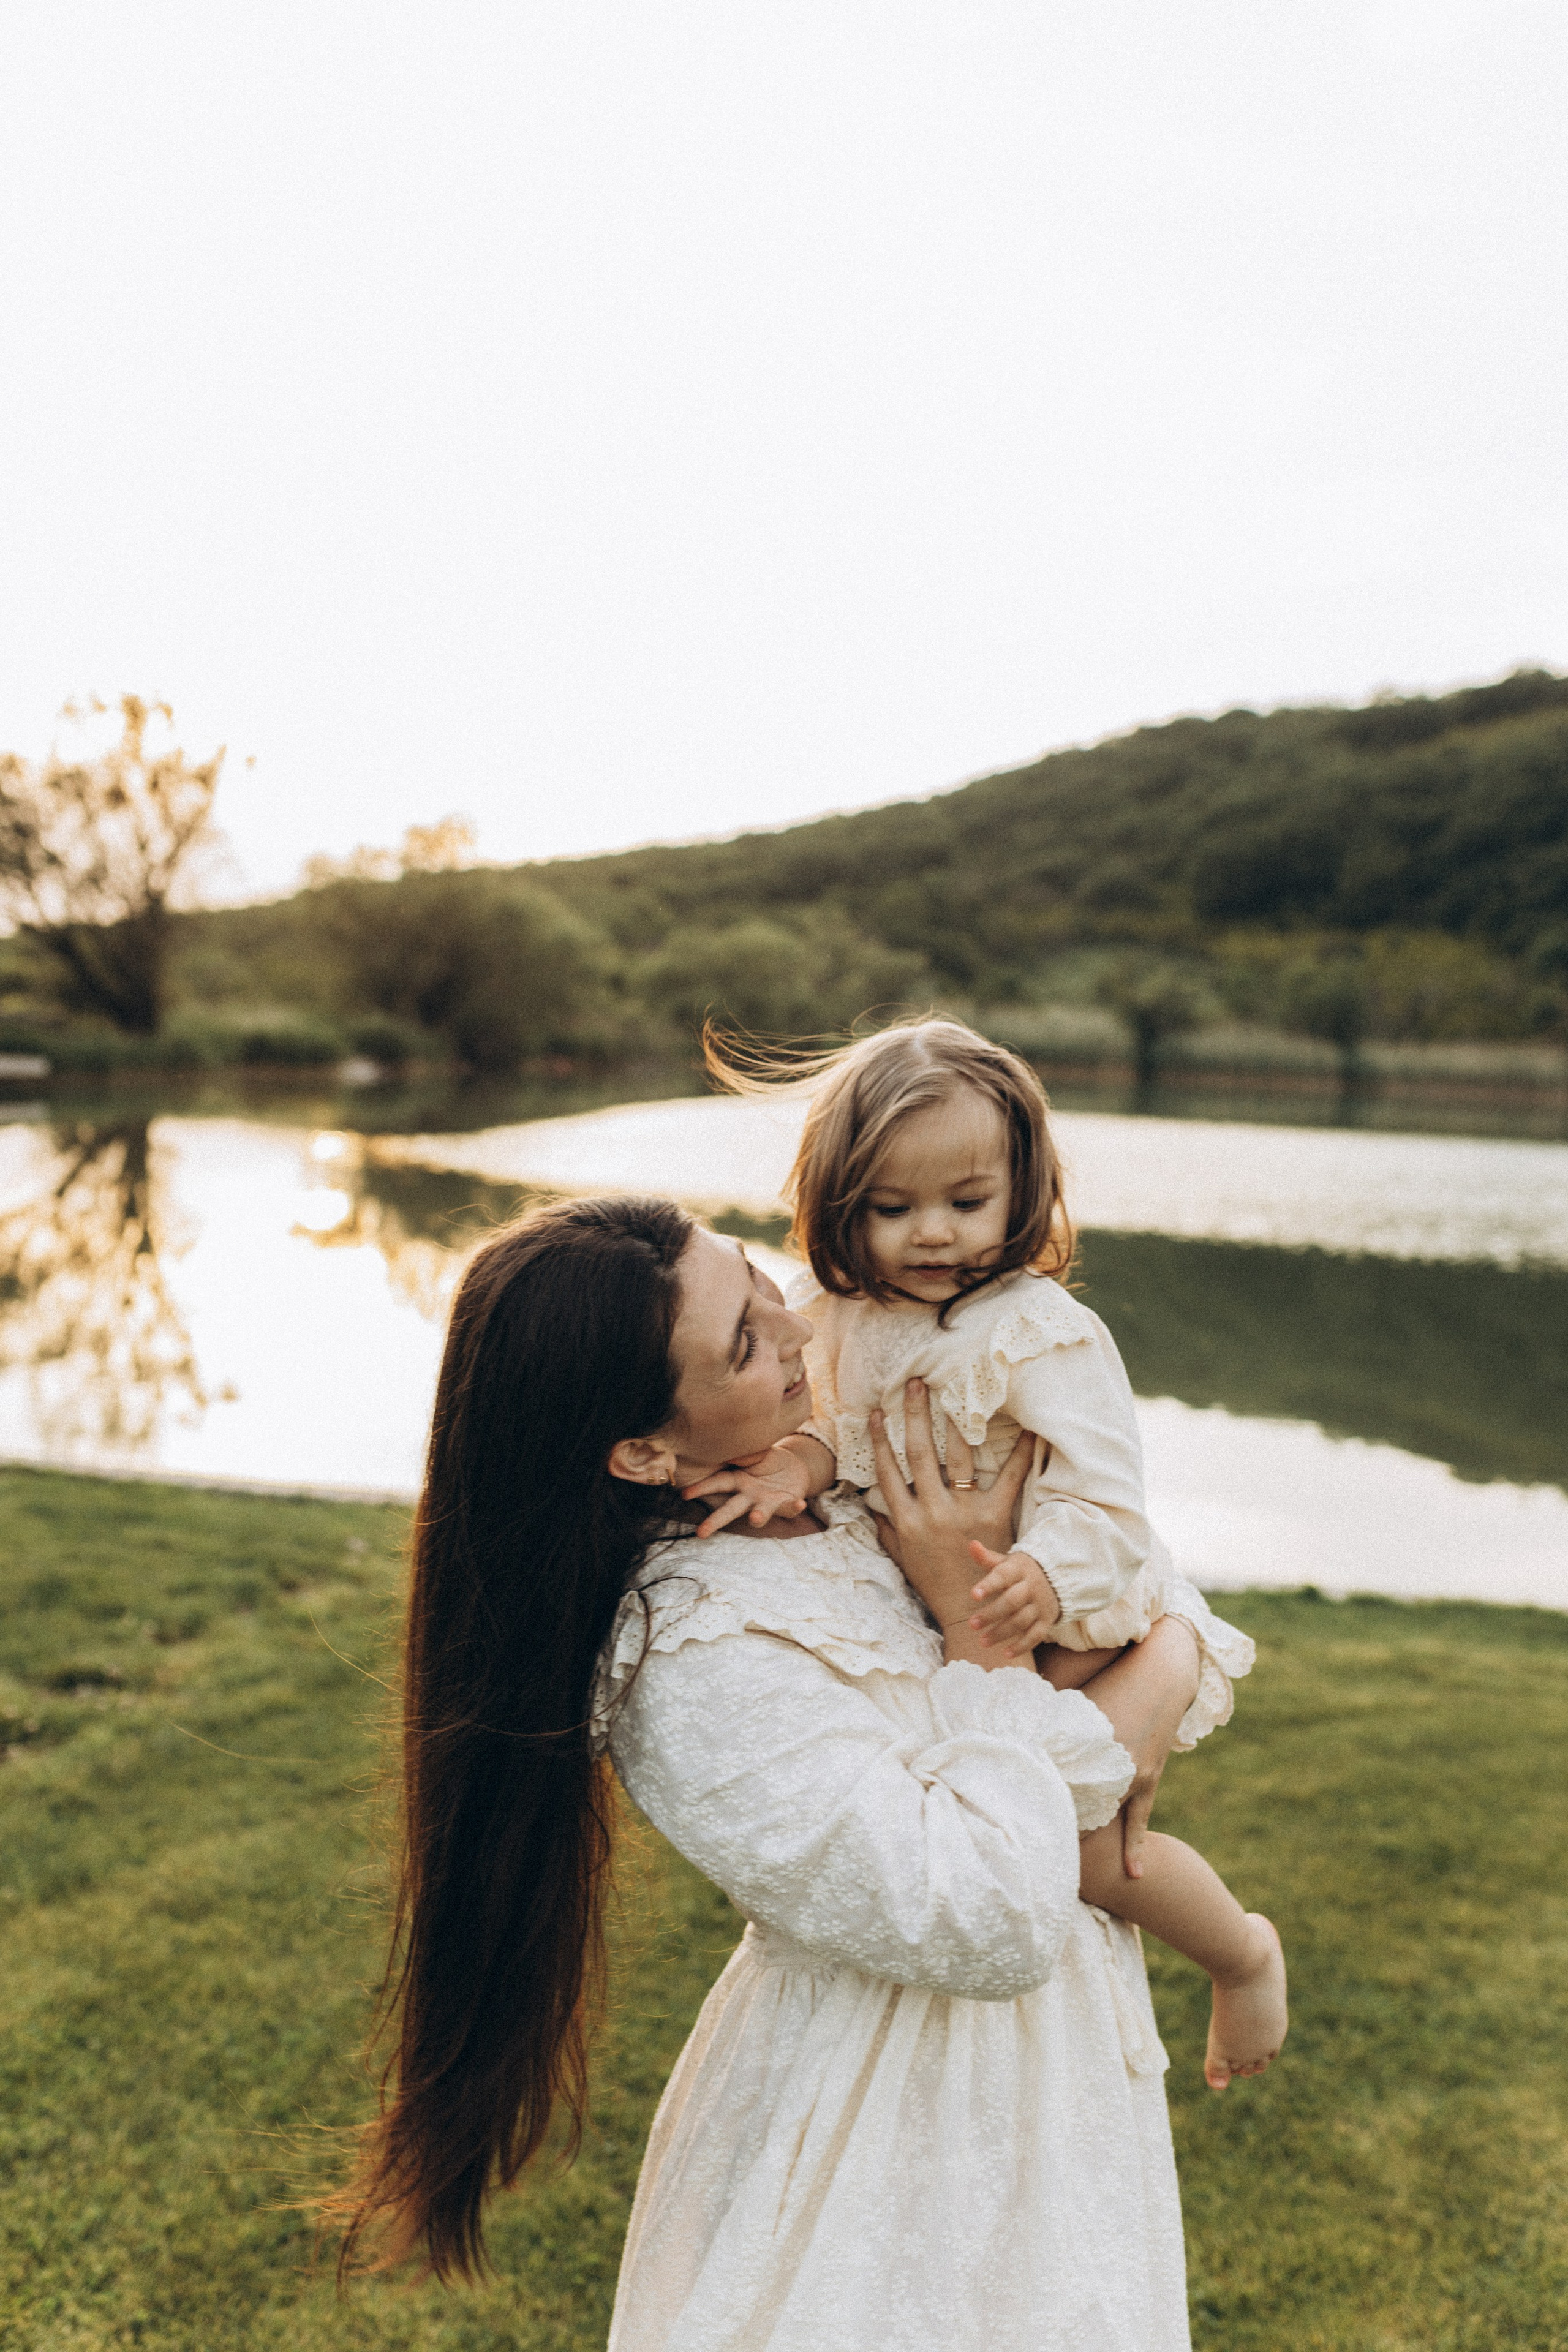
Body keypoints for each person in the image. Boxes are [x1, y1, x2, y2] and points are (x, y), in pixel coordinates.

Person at [330, 1193, 1246, 2348]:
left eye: (761, 1283)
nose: (803, 1333)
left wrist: (1157, 1647)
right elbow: (990, 1913)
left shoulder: (843, 1485)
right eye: (747, 1343)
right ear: (644, 1450)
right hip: (875, 2127)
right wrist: (995, 1641)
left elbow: (1123, 1561)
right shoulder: (691, 1656)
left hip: (1056, 2080)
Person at [688, 1017, 1286, 2093]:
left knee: (1086, 1852)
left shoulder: (1040, 1333)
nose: (933, 1235)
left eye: (967, 1204)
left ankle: (1242, 1955)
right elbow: (842, 1430)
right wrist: (796, 1470)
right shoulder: (839, 1315)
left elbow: (1109, 1497)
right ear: (839, 1202)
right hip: (948, 1608)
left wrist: (1044, 1572)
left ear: (1022, 1192)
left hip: (1060, 1613)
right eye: (892, 1208)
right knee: (1003, 1823)